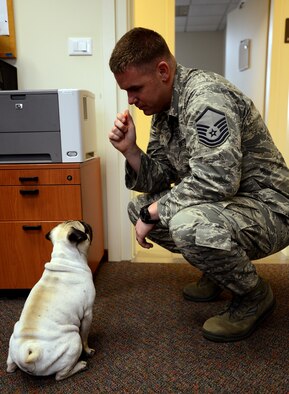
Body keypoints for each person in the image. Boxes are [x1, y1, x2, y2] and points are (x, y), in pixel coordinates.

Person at [108, 27, 289, 342]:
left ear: (163, 71)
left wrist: (155, 212)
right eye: (126, 92)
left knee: (185, 223)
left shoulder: (206, 98)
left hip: (271, 208)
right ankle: (221, 270)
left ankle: (254, 296)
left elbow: (218, 180)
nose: (131, 100)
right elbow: (161, 177)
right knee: (139, 208)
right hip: (230, 204)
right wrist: (131, 151)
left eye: (135, 88)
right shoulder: (164, 112)